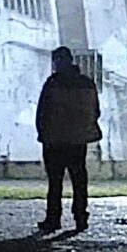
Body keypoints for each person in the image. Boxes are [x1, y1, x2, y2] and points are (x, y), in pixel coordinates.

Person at [34, 45, 102, 234]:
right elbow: (95, 111)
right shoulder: (86, 83)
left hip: (55, 138)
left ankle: (53, 218)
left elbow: (43, 111)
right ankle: (80, 216)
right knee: (79, 179)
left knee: (55, 182)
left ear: (57, 62)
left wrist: (43, 132)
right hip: (77, 139)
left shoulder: (52, 83)